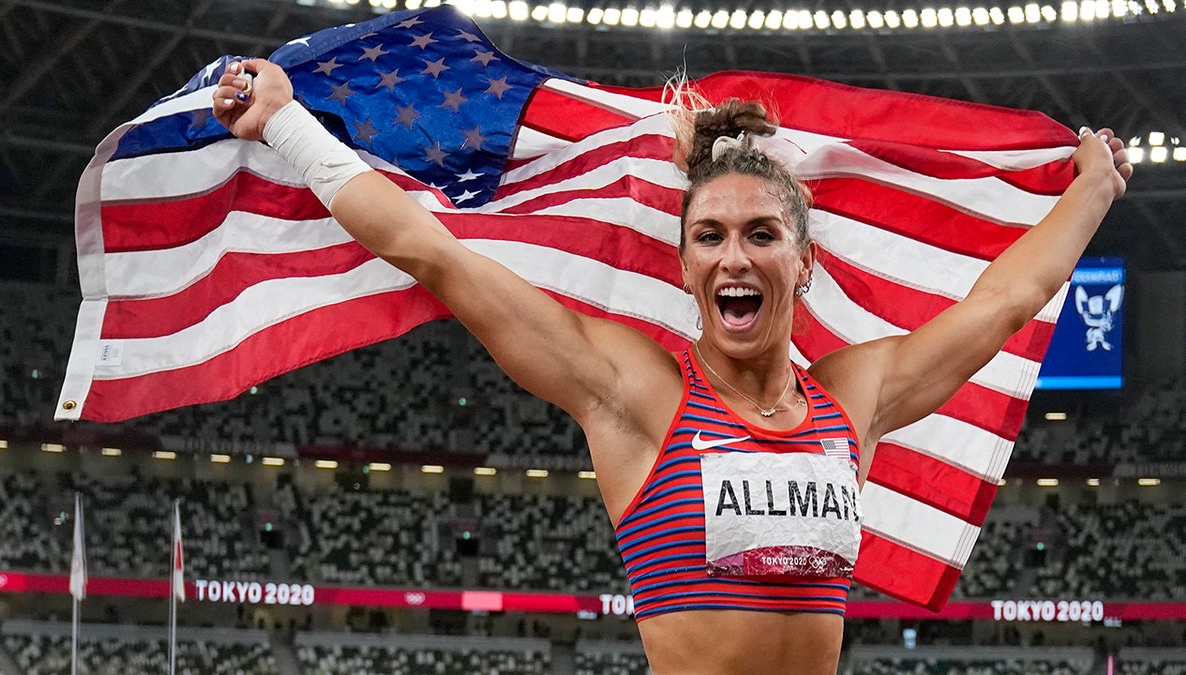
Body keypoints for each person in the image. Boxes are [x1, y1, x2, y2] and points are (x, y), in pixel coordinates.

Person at [213, 59, 1131, 674]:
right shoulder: (636, 392)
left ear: (804, 263)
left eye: (762, 235)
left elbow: (1002, 304)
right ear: (686, 263)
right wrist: (288, 124)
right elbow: (433, 250)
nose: (735, 257)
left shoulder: (857, 396)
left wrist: (1095, 186)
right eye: (711, 236)